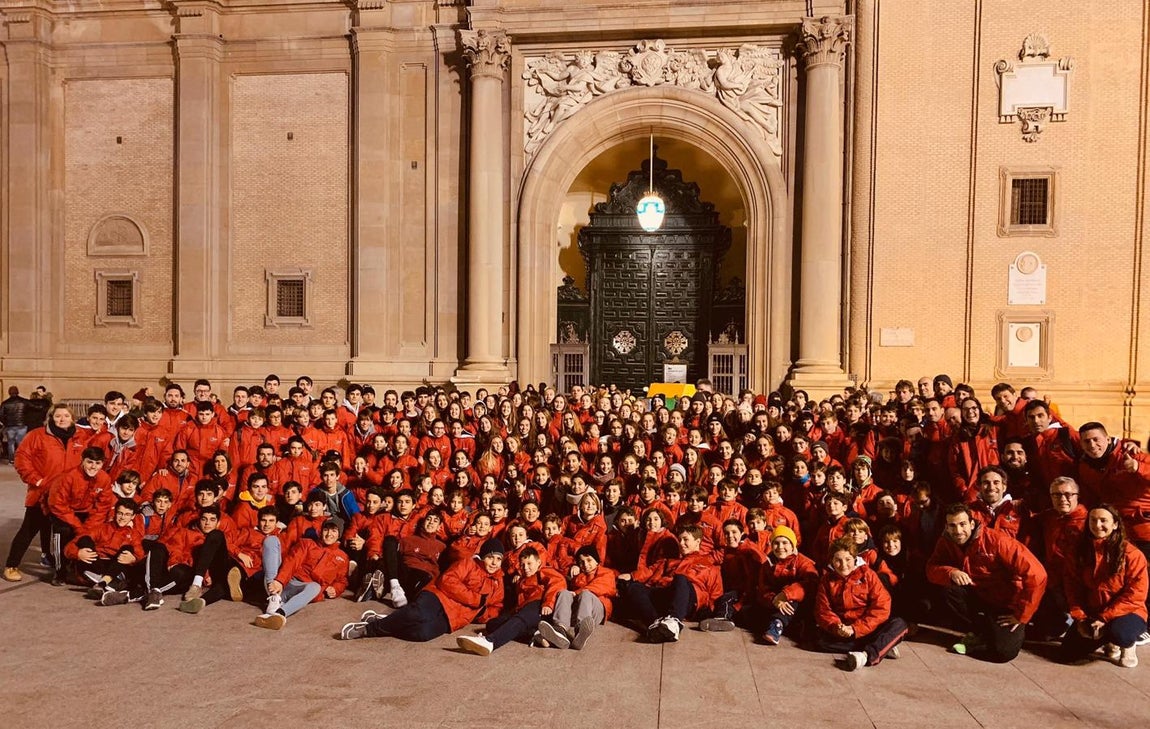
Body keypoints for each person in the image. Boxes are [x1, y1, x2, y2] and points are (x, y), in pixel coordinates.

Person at [926, 503, 1047, 662]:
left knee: (1003, 653)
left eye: (962, 524)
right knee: (948, 590)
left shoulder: (997, 541)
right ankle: (979, 632)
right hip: (979, 594)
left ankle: (992, 635)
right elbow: (931, 568)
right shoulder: (946, 541)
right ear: (947, 527)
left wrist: (1022, 615)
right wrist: (951, 572)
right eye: (952, 526)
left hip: (1007, 603)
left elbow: (1037, 575)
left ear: (971, 524)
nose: (958, 531)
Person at [340, 537, 505, 642]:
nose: (494, 563)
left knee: (422, 633)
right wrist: (476, 600)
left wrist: (481, 614)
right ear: (482, 557)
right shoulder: (469, 564)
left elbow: (496, 606)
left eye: (498, 559)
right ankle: (369, 630)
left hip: (455, 617)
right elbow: (447, 580)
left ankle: (387, 621)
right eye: (490, 557)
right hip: (439, 596)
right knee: (416, 614)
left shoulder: (498, 581)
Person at [1059, 504, 1147, 668]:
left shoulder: (1132, 555)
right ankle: (1106, 639)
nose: (1097, 525)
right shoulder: (1078, 551)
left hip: (1127, 612)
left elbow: (1135, 595)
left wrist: (1104, 618)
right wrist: (1080, 617)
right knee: (1067, 654)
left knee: (1120, 633)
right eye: (1093, 520)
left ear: (1115, 524)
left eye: (1103, 520)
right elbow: (1072, 587)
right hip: (1093, 611)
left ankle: (1126, 645)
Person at [5, 403, 84, 582]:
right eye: (58, 416)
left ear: (73, 419)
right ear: (51, 418)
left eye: (66, 416)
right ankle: (11, 565)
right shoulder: (37, 435)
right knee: (29, 529)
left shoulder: (80, 437)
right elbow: (21, 458)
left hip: (68, 495)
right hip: (42, 493)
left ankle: (64, 565)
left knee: (66, 532)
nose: (62, 419)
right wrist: (37, 480)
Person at [812, 537, 908, 670]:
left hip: (867, 627)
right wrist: (837, 627)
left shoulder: (868, 575)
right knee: (818, 640)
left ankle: (866, 655)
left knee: (899, 625)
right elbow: (823, 610)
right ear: (832, 561)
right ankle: (882, 645)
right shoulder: (826, 580)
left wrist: (856, 629)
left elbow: (881, 607)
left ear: (855, 559)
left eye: (848, 559)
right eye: (838, 560)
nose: (843, 565)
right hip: (844, 630)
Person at [616, 524, 723, 643]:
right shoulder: (670, 562)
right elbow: (650, 571)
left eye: (686, 539)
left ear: (697, 541)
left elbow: (716, 595)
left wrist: (707, 613)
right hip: (667, 594)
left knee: (680, 579)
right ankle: (655, 624)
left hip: (689, 600)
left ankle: (673, 621)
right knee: (634, 587)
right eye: (680, 540)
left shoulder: (709, 566)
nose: (681, 543)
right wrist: (632, 576)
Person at [457, 546, 566, 656]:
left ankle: (491, 641)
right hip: (524, 609)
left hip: (539, 606)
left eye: (529, 563)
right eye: (522, 565)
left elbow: (558, 582)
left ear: (538, 562)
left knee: (521, 618)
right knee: (492, 624)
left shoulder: (543, 571)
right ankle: (535, 634)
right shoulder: (521, 580)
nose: (526, 568)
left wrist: (548, 604)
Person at [255, 518, 350, 630]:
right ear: (321, 531)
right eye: (326, 530)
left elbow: (342, 580)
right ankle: (274, 598)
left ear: (339, 534)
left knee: (315, 587)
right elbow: (292, 562)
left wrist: (336, 589)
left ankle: (279, 614)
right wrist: (280, 581)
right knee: (271, 540)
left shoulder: (343, 558)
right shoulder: (307, 543)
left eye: (334, 531)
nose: (329, 534)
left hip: (304, 591)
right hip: (283, 583)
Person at [538, 545, 618, 650]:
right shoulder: (578, 575)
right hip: (577, 610)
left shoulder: (606, 572)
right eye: (581, 562)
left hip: (596, 610)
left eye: (589, 560)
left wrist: (576, 593)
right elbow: (559, 570)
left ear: (596, 561)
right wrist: (573, 566)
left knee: (586, 594)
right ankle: (560, 629)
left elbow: (599, 587)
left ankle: (581, 629)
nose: (586, 564)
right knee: (564, 593)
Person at [754, 525, 818, 644]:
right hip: (776, 603)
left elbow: (810, 583)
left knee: (792, 601)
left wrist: (786, 595)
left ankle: (776, 625)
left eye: (785, 543)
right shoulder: (768, 564)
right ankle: (790, 627)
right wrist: (774, 599)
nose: (780, 547)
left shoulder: (803, 562)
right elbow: (763, 589)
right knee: (751, 614)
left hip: (798, 604)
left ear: (792, 545)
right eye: (776, 543)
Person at [1, 385, 30, 464]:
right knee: (21, 443)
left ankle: (12, 460)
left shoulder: (5, 403)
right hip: (22, 425)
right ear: (17, 392)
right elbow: (32, 408)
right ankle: (21, 459)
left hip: (10, 426)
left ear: (9, 393)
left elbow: (1, 415)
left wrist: (6, 423)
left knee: (11, 443)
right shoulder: (23, 401)